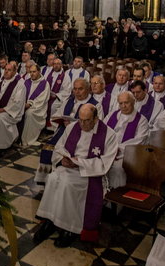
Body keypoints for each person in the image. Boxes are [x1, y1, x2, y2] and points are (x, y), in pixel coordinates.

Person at [34, 104, 118, 247]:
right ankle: (49, 220)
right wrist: (62, 160)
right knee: (53, 179)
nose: (82, 124)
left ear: (96, 119)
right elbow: (59, 147)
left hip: (88, 174)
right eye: (80, 120)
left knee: (67, 184)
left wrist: (81, 163)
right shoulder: (72, 127)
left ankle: (69, 228)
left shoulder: (109, 135)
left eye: (87, 120)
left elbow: (105, 162)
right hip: (68, 168)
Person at [104, 92, 150, 188]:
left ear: (133, 102)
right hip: (107, 150)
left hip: (126, 154)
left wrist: (117, 149)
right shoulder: (112, 115)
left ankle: (117, 196)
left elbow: (139, 141)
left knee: (117, 168)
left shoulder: (142, 120)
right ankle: (102, 194)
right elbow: (102, 131)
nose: (123, 106)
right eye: (121, 103)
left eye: (126, 103)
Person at [0, 62, 26, 151]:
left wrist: (2, 110)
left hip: (11, 112)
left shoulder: (19, 85)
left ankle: (1, 146)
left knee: (0, 118)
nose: (6, 72)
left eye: (9, 70)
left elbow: (17, 103)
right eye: (5, 70)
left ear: (14, 72)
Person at [21, 62, 49, 146]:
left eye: (34, 72)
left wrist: (30, 104)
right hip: (24, 105)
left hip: (38, 108)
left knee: (29, 113)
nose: (32, 74)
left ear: (39, 71)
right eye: (30, 72)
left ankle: (28, 139)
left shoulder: (45, 84)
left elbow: (42, 99)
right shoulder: (26, 82)